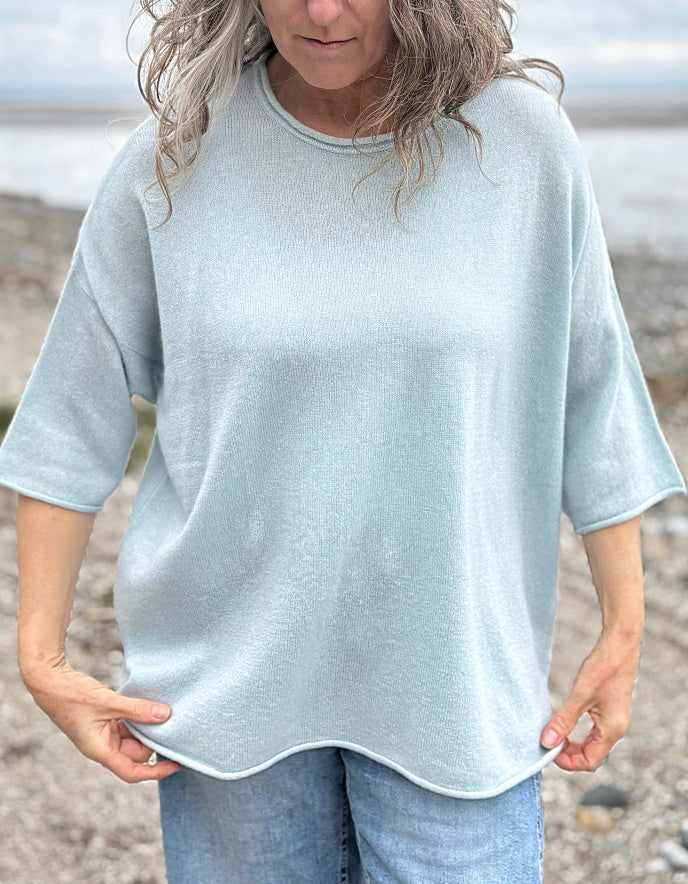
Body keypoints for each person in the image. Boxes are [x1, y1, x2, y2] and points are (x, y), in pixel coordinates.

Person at [0, 0, 685, 880]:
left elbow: (593, 396)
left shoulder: (523, 145)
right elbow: (67, 421)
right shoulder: (173, 157)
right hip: (227, 699)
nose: (322, 12)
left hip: (454, 697)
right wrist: (41, 657)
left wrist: (625, 628)